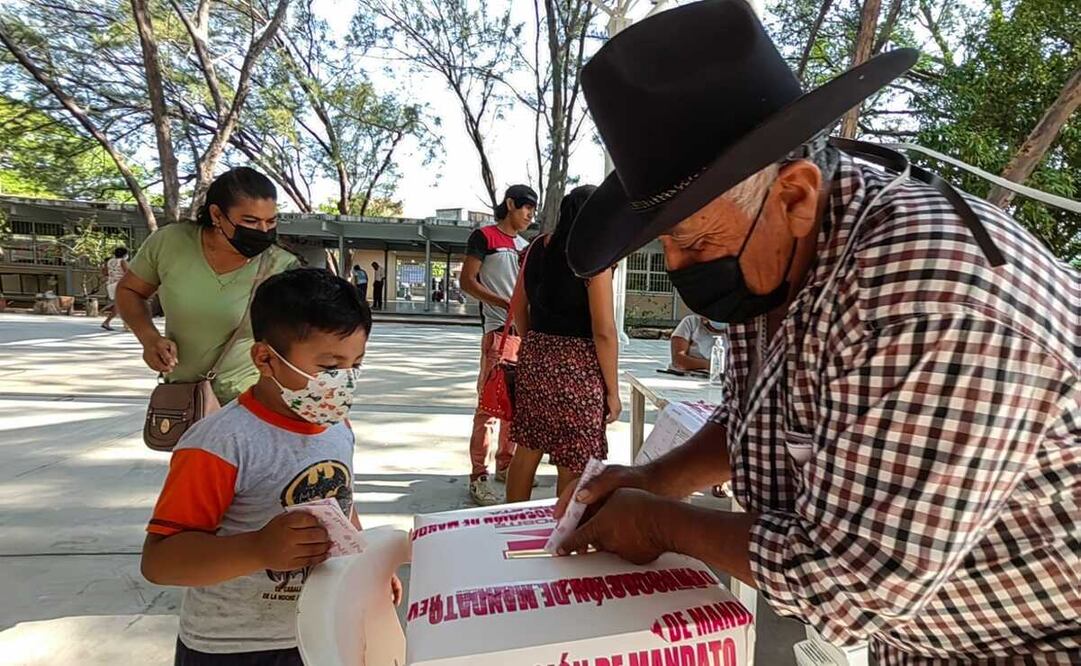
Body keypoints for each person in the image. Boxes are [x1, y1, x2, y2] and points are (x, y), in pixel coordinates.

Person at [556, 2, 1080, 664]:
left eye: (692, 242)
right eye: (667, 247)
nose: (681, 270)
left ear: (795, 197)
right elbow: (766, 419)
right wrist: (656, 479)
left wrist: (661, 524)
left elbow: (851, 584)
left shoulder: (930, 295)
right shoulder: (778, 258)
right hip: (924, 642)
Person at [141, 268, 399, 665]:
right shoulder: (220, 444)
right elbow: (160, 561)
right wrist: (258, 548)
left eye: (355, 366)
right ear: (265, 358)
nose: (343, 382)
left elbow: (341, 504)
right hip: (234, 647)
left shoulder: (337, 426)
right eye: (329, 367)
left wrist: (365, 568)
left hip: (319, 630)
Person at [117, 167, 299, 405]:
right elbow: (130, 291)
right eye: (250, 221)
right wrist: (149, 339)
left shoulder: (281, 265)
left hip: (250, 403)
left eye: (271, 221)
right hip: (184, 400)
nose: (263, 231)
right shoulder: (170, 242)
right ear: (216, 214)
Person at [505, 185, 620, 502]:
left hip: (536, 357)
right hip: (579, 367)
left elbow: (517, 305)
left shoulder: (536, 248)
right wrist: (613, 390)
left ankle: (504, 529)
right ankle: (559, 539)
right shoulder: (594, 256)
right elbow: (604, 330)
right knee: (573, 458)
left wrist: (533, 343)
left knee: (527, 449)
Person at [460, 184, 537, 505]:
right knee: (489, 407)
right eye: (526, 208)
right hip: (497, 333)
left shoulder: (527, 246)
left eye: (534, 210)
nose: (531, 215)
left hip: (525, 335)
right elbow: (467, 282)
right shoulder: (484, 237)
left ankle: (507, 466)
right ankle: (479, 475)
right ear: (510, 204)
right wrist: (505, 304)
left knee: (515, 410)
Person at [100, 246, 129, 331]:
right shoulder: (123, 261)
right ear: (124, 254)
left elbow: (105, 272)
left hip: (111, 284)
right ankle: (109, 322)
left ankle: (125, 324)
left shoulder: (109, 261)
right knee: (122, 305)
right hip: (120, 284)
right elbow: (128, 273)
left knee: (120, 304)